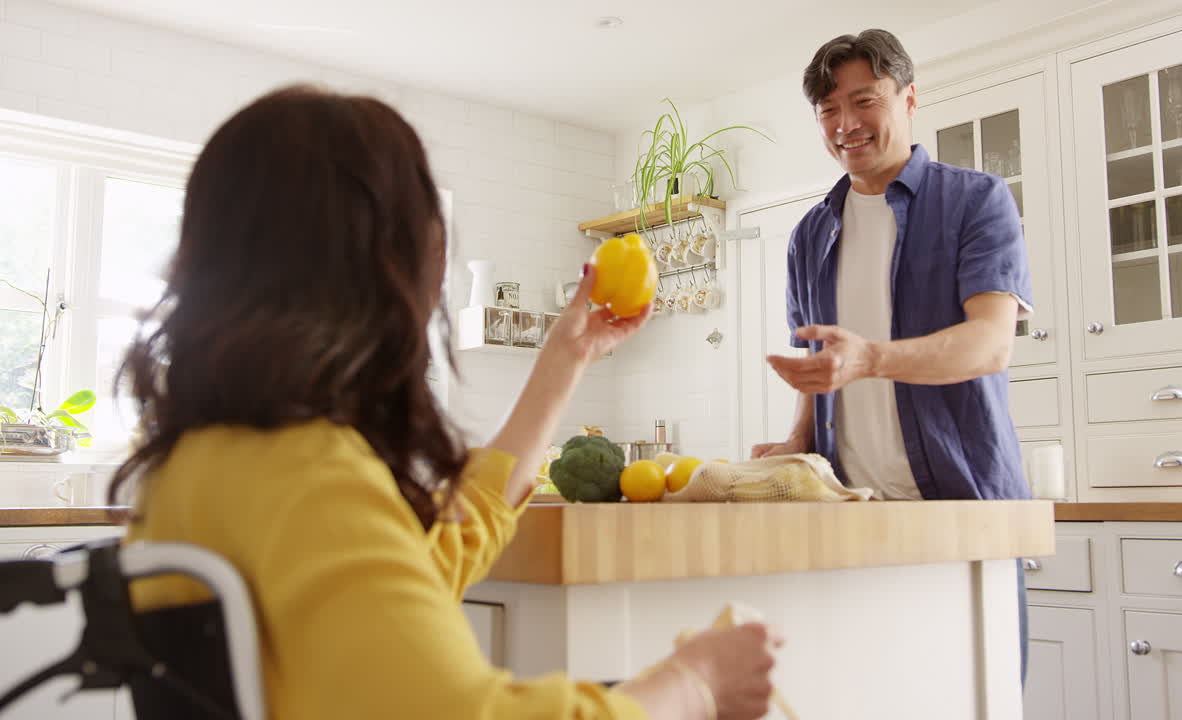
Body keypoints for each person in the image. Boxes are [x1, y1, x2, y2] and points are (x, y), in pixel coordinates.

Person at [111, 85, 780, 720]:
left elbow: (432, 560)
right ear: (385, 269)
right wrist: (695, 682)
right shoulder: (309, 477)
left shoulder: (203, 462)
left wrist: (565, 359)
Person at [748, 29, 1032, 677]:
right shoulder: (810, 234)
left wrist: (870, 360)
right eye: (828, 110)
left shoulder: (976, 201)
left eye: (864, 101)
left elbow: (990, 344)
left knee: (979, 698)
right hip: (853, 521)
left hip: (964, 514)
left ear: (908, 98)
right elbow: (822, 365)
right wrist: (795, 440)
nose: (845, 124)